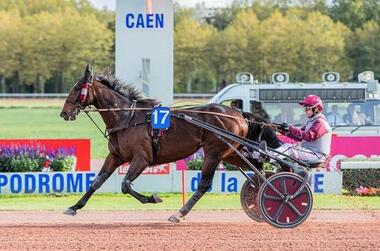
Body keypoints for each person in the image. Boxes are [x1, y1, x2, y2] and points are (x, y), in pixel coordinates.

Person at [275, 94, 332, 163]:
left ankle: (267, 156)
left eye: (307, 108)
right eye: (304, 108)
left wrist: (290, 128)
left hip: (317, 155)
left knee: (289, 148)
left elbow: (309, 136)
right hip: (310, 152)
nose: (305, 111)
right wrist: (281, 130)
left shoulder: (320, 122)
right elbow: (299, 137)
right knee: (285, 146)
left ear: (316, 109)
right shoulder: (312, 121)